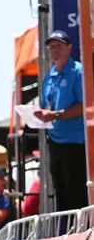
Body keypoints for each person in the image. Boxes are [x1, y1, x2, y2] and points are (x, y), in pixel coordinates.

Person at [34, 30, 87, 212]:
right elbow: (46, 106)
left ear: (69, 48)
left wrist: (56, 115)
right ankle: (66, 232)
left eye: (58, 46)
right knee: (60, 191)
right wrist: (37, 114)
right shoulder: (50, 76)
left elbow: (86, 105)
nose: (54, 50)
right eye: (51, 47)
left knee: (76, 192)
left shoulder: (79, 72)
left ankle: (81, 233)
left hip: (75, 142)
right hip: (54, 141)